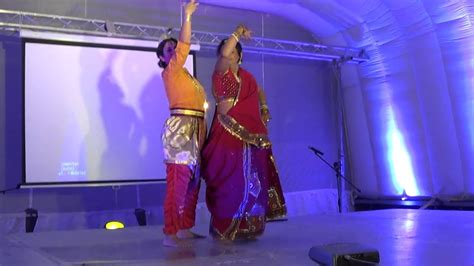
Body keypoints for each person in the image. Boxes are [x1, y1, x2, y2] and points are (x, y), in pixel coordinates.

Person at [201, 24, 286, 241]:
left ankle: (246, 228)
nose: (229, 55)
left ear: (240, 55)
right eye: (226, 51)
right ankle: (225, 227)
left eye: (233, 52)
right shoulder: (220, 71)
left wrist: (264, 107)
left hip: (247, 135)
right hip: (225, 131)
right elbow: (224, 51)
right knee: (228, 179)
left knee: (249, 179)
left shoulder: (248, 78)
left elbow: (260, 91)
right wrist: (237, 31)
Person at [156, 0, 207, 247]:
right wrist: (187, 16)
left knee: (193, 183)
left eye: (173, 47)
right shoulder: (171, 71)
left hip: (196, 128)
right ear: (162, 58)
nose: (173, 50)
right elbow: (185, 44)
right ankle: (170, 232)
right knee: (178, 183)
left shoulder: (185, 74)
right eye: (168, 49)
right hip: (181, 130)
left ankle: (185, 227)